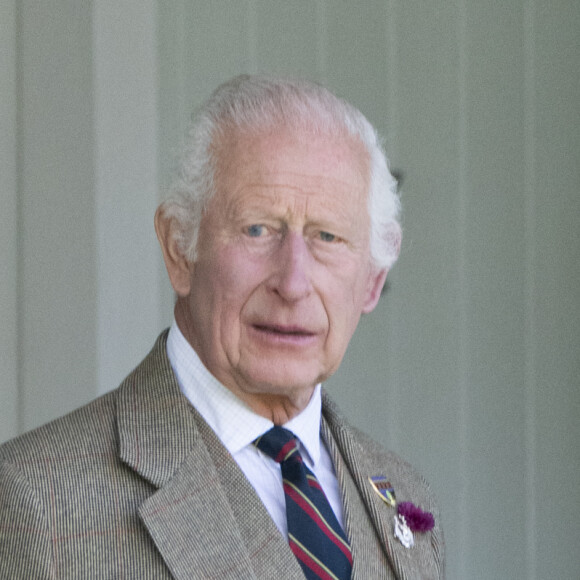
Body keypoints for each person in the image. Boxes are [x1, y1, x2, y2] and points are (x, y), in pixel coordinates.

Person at [0, 75, 444, 579]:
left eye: (327, 236)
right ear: (179, 249)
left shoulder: (405, 496)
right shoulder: (38, 504)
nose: (293, 282)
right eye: (257, 229)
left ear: (372, 280)